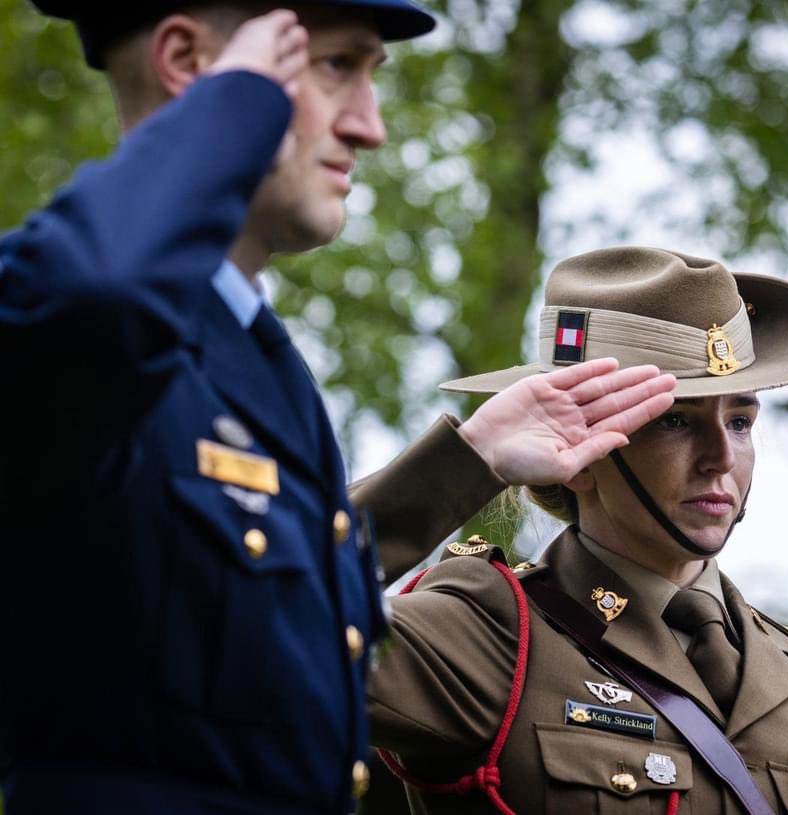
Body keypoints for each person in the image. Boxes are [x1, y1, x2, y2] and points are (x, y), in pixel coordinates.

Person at [0, 7, 678, 815]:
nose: (371, 127)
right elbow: (85, 292)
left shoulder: (253, 357)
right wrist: (236, 104)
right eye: (334, 68)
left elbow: (252, 622)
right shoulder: (86, 330)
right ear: (191, 64)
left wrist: (472, 462)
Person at [366, 246, 788, 814]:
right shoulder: (489, 633)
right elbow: (258, 628)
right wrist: (469, 461)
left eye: (741, 421)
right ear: (581, 454)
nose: (722, 457)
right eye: (675, 420)